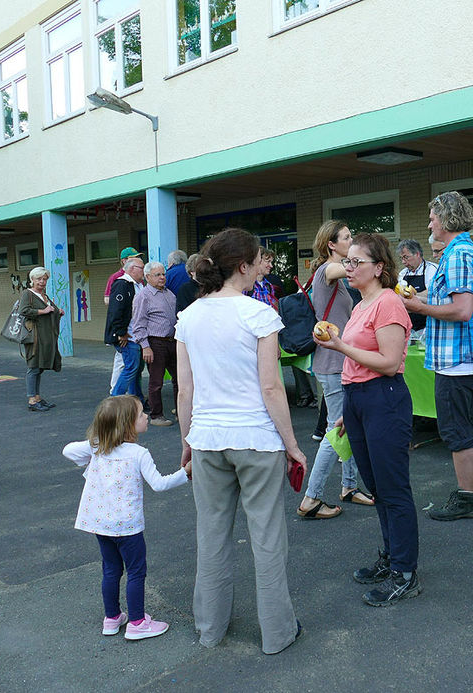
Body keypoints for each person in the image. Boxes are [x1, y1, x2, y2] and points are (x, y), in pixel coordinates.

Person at [175, 227, 306, 654]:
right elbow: (271, 389)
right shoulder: (259, 315)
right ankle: (277, 634)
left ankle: (210, 629)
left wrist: (187, 441)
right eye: (257, 261)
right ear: (244, 266)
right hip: (256, 439)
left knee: (211, 537)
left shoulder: (189, 317)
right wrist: (292, 444)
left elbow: (185, 390)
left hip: (208, 439)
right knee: (268, 539)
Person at [314, 233, 418, 605]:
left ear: (379, 268)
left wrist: (341, 346)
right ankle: (392, 558)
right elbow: (358, 364)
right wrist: (347, 414)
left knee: (393, 488)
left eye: (357, 263)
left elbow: (390, 363)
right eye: (349, 262)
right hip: (359, 401)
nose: (349, 268)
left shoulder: (389, 302)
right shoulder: (361, 304)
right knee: (376, 487)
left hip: (384, 399)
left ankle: (404, 571)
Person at [401, 191, 473, 521]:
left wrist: (419, 306)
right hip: (467, 358)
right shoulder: (462, 251)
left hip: (457, 360)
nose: (429, 222)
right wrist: (417, 296)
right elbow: (453, 298)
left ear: (447, 219)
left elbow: (461, 310)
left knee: (456, 430)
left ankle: (467, 497)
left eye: (433, 216)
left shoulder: (458, 254)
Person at [63, 395, 188, 640]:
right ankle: (138, 622)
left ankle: (111, 618)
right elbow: (159, 485)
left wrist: (94, 443)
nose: (146, 417)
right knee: (136, 571)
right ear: (127, 424)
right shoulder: (138, 453)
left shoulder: (99, 447)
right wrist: (186, 473)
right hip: (128, 527)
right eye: (141, 414)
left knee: (110, 569)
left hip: (101, 524)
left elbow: (68, 450)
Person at [297, 220, 372, 519]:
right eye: (347, 237)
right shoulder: (327, 271)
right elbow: (353, 268)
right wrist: (366, 258)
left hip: (340, 360)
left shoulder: (337, 278)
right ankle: (311, 497)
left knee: (347, 424)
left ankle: (349, 487)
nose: (350, 241)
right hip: (331, 363)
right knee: (336, 428)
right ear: (331, 244)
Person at [132, 261, 178, 426]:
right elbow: (138, 324)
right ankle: (156, 416)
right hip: (155, 343)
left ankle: (181, 411)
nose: (162, 278)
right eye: (157, 275)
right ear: (148, 277)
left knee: (179, 379)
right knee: (156, 381)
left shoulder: (169, 293)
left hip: (172, 342)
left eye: (163, 274)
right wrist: (145, 346)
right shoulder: (143, 296)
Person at [18, 266, 63, 412]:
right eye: (39, 279)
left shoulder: (44, 295)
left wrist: (58, 312)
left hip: (46, 337)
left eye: (44, 279)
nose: (42, 282)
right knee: (33, 367)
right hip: (35, 337)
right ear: (32, 280)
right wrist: (42, 311)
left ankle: (37, 397)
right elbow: (23, 311)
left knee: (39, 368)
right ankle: (32, 399)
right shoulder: (28, 294)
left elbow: (52, 309)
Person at [105, 258, 145, 399]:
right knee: (131, 368)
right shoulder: (122, 284)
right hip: (128, 336)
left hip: (135, 335)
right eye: (141, 267)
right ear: (132, 269)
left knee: (135, 369)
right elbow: (116, 310)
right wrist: (121, 333)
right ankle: (116, 399)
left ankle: (137, 399)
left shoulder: (138, 285)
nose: (144, 270)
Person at [397, 238, 438, 340]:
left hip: (427, 327)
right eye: (401, 258)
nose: (404, 262)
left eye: (406, 257)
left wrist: (411, 298)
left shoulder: (432, 270)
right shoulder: (403, 273)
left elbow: (431, 293)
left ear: (417, 254)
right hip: (409, 327)